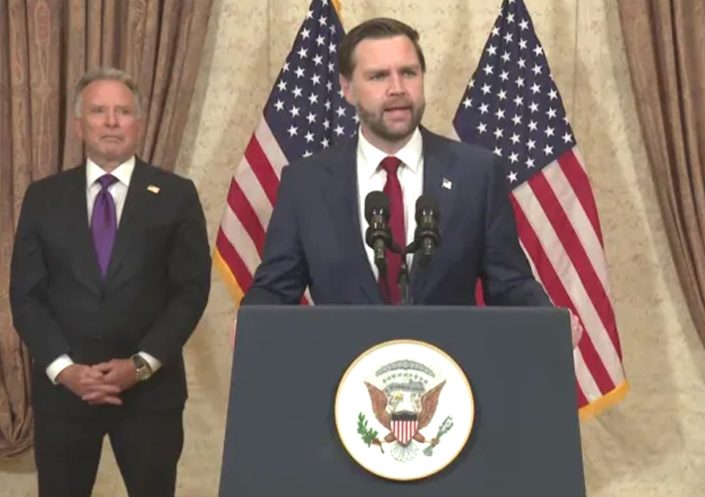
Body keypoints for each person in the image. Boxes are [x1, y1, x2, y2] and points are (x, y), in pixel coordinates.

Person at [242, 17, 551, 308]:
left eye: (408, 73)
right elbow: (276, 289)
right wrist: (249, 324)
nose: (398, 89)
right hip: (344, 349)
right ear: (347, 89)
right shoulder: (305, 183)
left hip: (445, 348)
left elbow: (510, 284)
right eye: (378, 76)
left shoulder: (477, 174)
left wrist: (552, 323)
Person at [9, 67, 211, 497]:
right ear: (79, 125)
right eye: (99, 111)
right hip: (65, 396)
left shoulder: (177, 195)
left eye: (123, 111)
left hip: (150, 396)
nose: (112, 121)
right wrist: (65, 370)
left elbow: (191, 291)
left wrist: (140, 365)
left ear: (139, 122)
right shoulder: (43, 197)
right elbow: (26, 296)